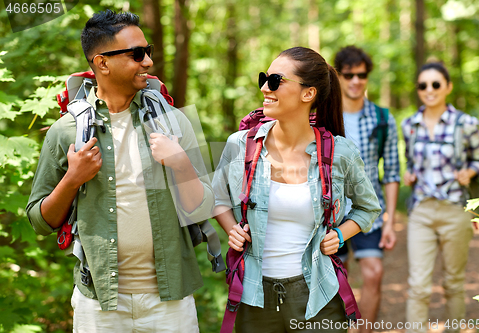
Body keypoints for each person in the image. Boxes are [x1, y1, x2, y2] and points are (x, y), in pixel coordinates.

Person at [26, 10, 214, 332]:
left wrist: (182, 163)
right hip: (99, 303)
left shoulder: (174, 121)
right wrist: (73, 179)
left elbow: (205, 207)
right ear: (102, 63)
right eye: (137, 54)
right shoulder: (66, 131)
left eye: (148, 51)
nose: (148, 62)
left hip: (170, 301)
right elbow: (39, 221)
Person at [212, 46, 381, 332]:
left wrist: (340, 234)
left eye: (276, 80)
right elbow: (217, 198)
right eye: (264, 78)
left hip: (318, 296)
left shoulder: (339, 153)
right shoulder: (240, 145)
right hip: (254, 295)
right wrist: (232, 228)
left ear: (308, 93)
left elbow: (369, 208)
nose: (266, 87)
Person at [402, 62, 479, 333]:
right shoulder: (409, 125)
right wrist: (410, 175)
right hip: (422, 211)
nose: (429, 90)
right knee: (418, 285)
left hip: (455, 210)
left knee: (453, 282)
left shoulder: (466, 123)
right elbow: (411, 162)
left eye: (436, 84)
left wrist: (470, 172)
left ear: (448, 87)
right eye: (423, 85)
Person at [333, 45, 400, 332]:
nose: (355, 81)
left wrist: (390, 221)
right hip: (331, 213)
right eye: (348, 75)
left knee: (374, 273)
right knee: (337, 280)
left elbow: (393, 172)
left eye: (361, 75)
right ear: (338, 77)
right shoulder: (323, 117)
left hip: (368, 214)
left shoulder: (383, 119)